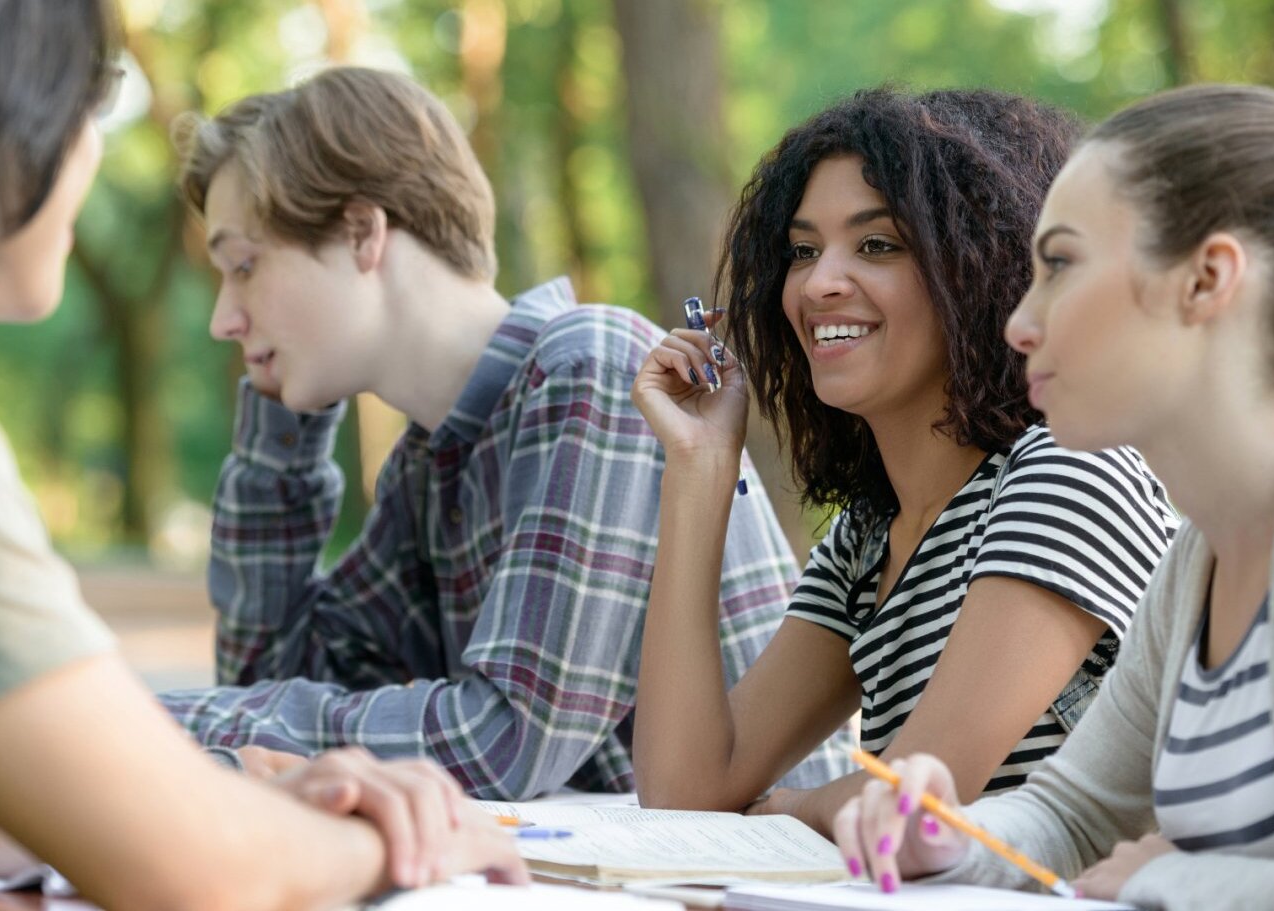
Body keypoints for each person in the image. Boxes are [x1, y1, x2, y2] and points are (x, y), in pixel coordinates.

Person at [0, 1, 523, 907]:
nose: (94, 146)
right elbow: (197, 870)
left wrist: (219, 794)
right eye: (85, 102)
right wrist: (387, 844)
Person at [156, 65, 849, 799]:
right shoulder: (431, 464)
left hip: (762, 880)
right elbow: (274, 686)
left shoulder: (592, 367)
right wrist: (282, 436)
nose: (221, 318)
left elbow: (504, 742)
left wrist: (156, 719)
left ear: (362, 233)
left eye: (243, 265)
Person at [842, 84, 1274, 910]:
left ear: (1206, 279)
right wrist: (940, 836)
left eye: (1060, 265)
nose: (1018, 322)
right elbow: (1071, 814)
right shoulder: (1199, 560)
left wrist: (1163, 879)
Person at [629, 87, 1179, 839]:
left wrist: (793, 805)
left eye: (877, 245)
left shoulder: (1070, 470)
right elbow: (684, 786)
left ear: (981, 268)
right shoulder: (867, 537)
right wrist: (698, 464)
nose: (820, 282)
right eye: (802, 250)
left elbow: (916, 804)